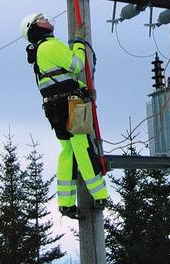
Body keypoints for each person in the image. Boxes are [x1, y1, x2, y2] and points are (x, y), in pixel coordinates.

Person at [19, 12, 108, 219]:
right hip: (70, 105)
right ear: (36, 27)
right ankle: (100, 195)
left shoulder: (40, 51)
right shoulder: (51, 45)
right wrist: (78, 42)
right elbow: (76, 66)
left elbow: (60, 80)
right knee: (83, 147)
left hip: (54, 107)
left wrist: (84, 88)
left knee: (67, 151)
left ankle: (66, 203)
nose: (47, 19)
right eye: (42, 18)